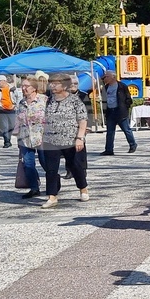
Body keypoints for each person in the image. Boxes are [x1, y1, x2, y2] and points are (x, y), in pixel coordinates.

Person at [40, 74, 90, 209]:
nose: (52, 86)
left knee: (74, 166)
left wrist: (80, 138)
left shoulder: (75, 101)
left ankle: (83, 187)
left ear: (64, 86)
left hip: (70, 138)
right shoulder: (49, 100)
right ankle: (52, 196)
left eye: (55, 84)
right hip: (51, 139)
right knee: (51, 169)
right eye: (51, 83)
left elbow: (82, 119)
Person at [15, 77, 48, 199]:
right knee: (28, 164)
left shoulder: (44, 100)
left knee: (46, 163)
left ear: (34, 88)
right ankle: (34, 188)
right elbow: (18, 120)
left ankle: (54, 183)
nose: (23, 88)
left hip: (42, 137)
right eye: (22, 86)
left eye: (26, 86)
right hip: (25, 138)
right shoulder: (21, 103)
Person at [100, 70, 137, 155]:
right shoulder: (106, 88)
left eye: (107, 76)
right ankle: (109, 149)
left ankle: (133, 145)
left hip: (120, 112)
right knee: (110, 132)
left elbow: (128, 99)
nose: (105, 78)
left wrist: (125, 107)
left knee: (126, 130)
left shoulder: (122, 86)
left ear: (113, 76)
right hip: (110, 111)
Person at [0, 74, 20, 148]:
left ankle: (8, 139)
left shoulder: (13, 89)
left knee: (12, 126)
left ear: (4, 81)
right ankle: (6, 142)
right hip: (1, 110)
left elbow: (19, 97)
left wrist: (15, 106)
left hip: (12, 110)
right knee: (4, 126)